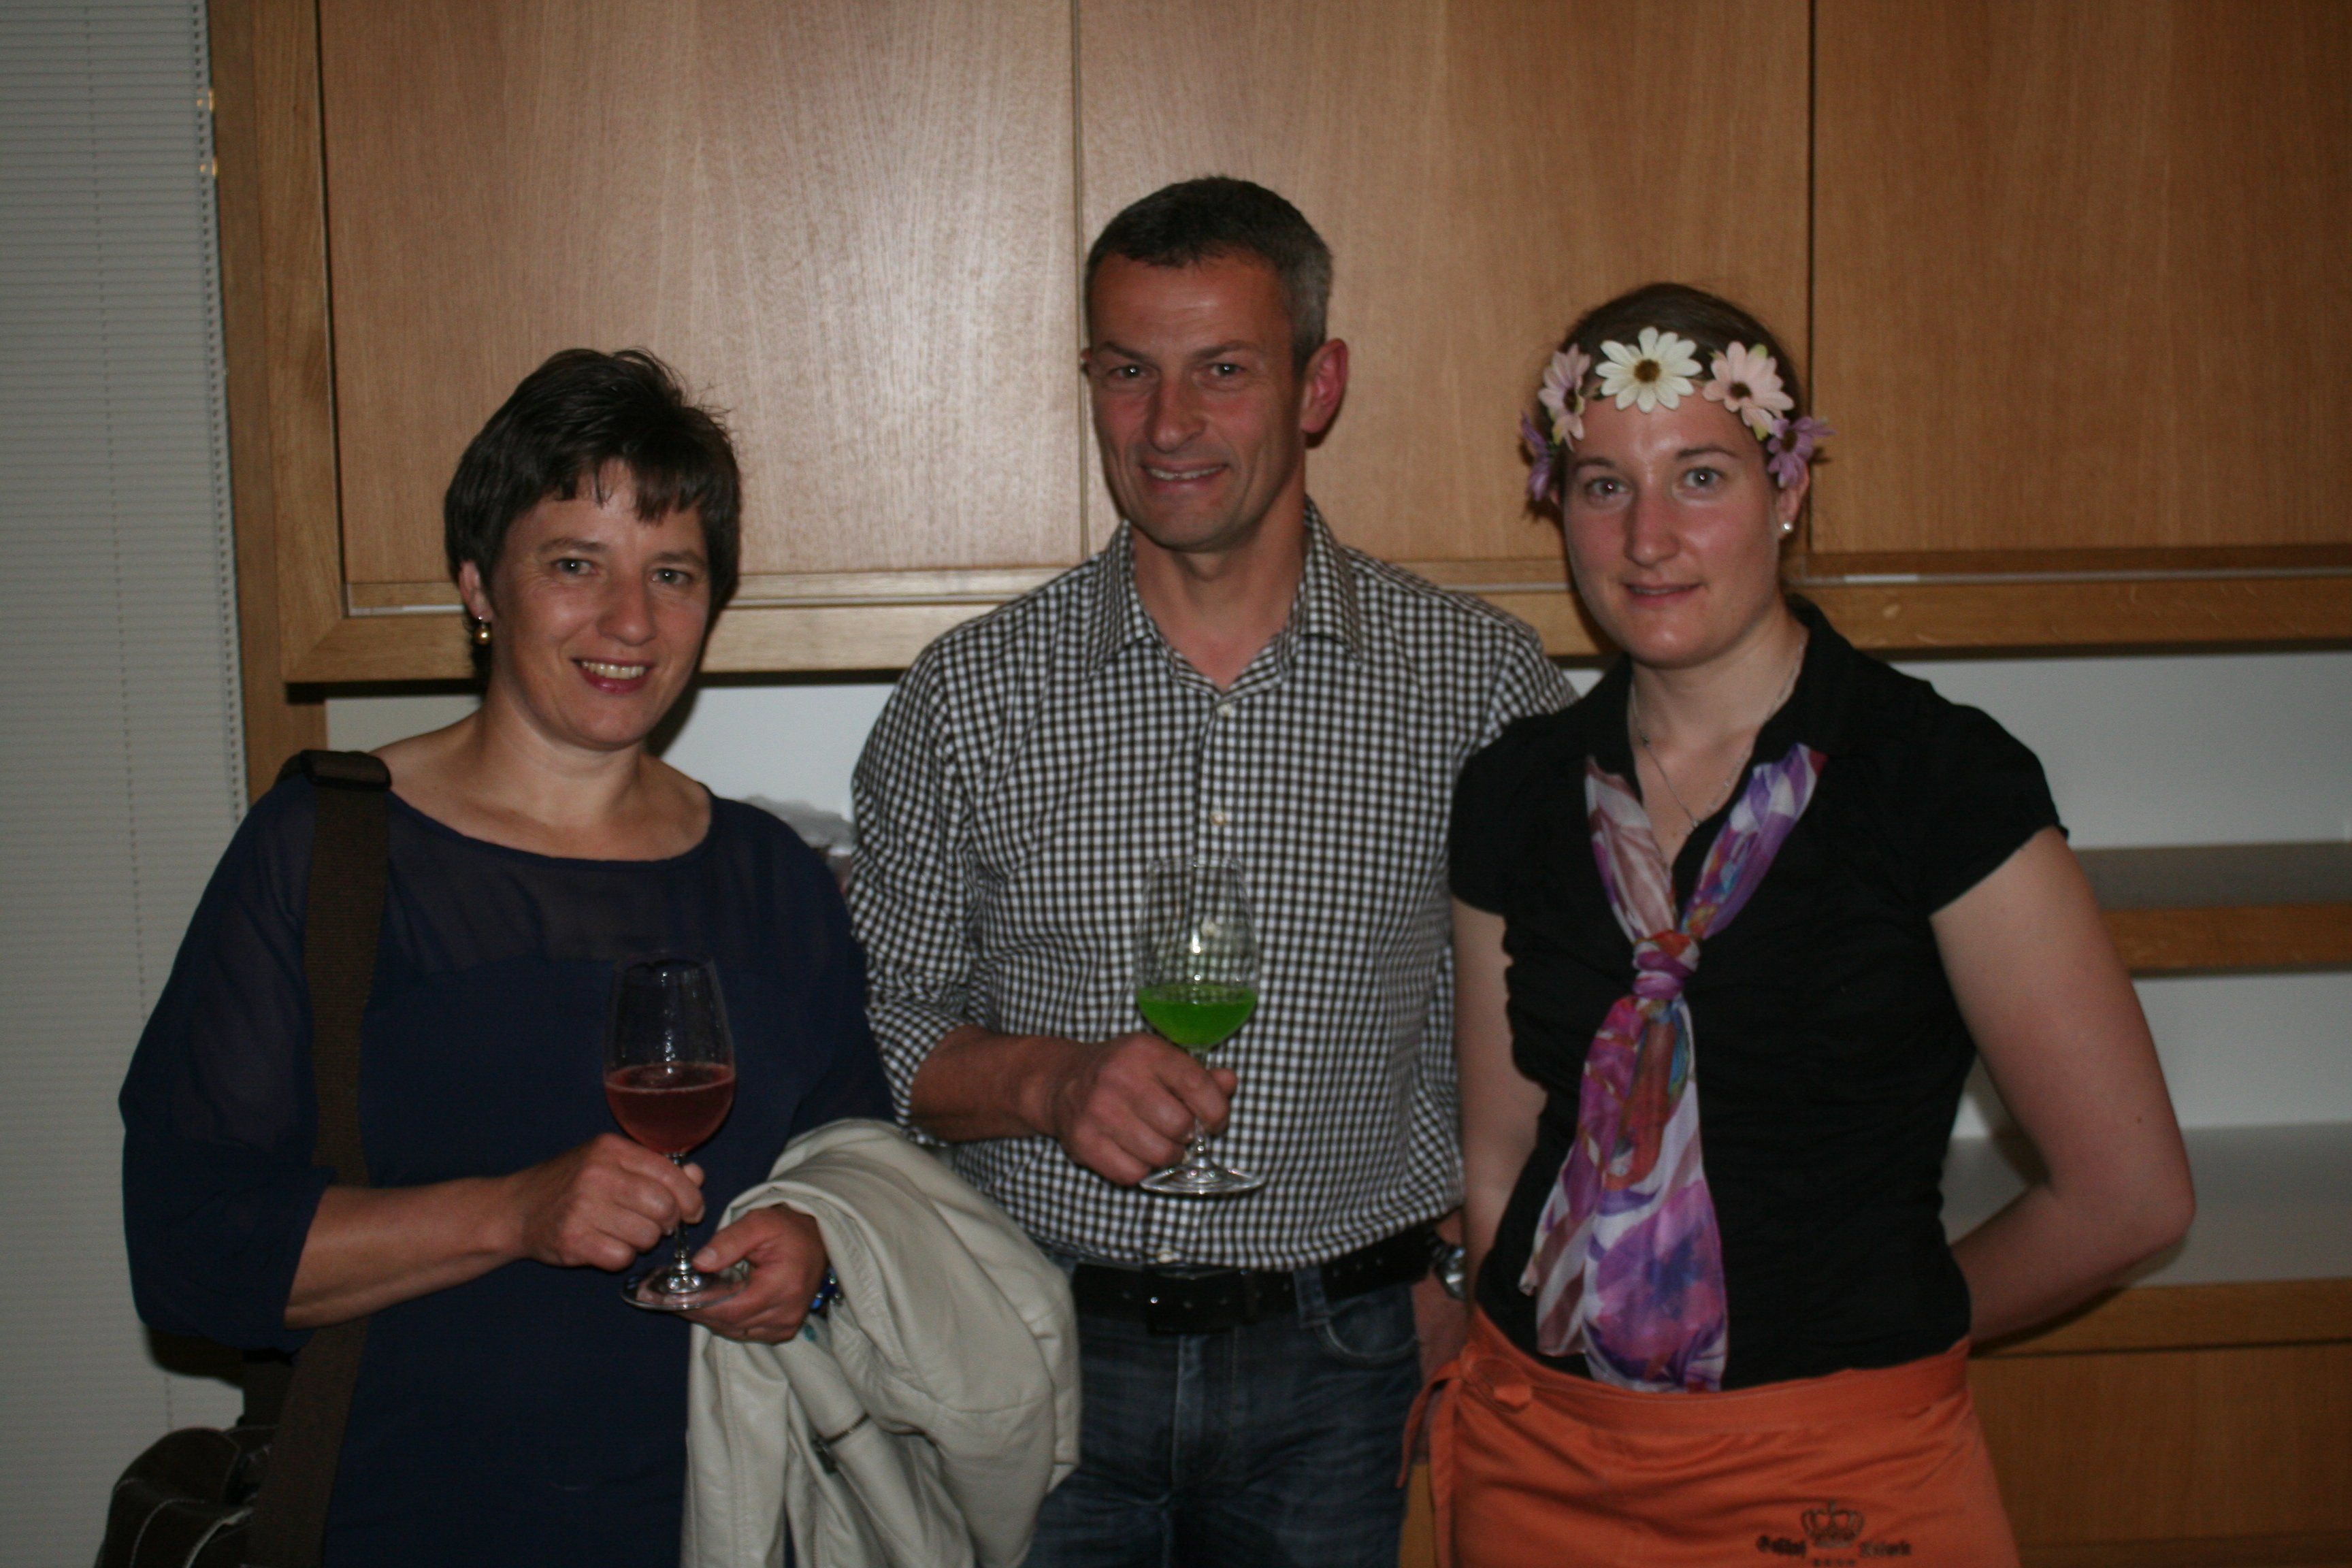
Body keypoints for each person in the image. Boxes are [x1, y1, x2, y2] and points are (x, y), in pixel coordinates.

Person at [847, 176, 1574, 1567]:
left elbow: (1546, 1033)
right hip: (1030, 1350)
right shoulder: (967, 699)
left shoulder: (1480, 688)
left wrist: (1465, 1271)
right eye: (1129, 371)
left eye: (1223, 370)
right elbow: (873, 1027)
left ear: (1319, 385)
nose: (1168, 425)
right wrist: (1051, 1085)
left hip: (1347, 1362)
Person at [1437, 282, 2195, 1565]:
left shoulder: (1938, 780)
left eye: (1702, 476)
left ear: (1787, 488)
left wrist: (1882, 1331)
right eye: (1605, 485)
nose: (1649, 538)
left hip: (1840, 1472)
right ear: (1556, 503)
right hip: (1544, 1463)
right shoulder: (1515, 788)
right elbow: (1504, 1162)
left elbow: (2130, 1199)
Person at [120, 349, 890, 1565]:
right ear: (480, 585)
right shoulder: (332, 851)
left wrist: (821, 1252)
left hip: (740, 1526)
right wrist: (512, 1213)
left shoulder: (772, 880)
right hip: (412, 1524)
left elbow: (863, 1176)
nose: (630, 621)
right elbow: (188, 1253)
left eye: (673, 573)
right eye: (575, 564)